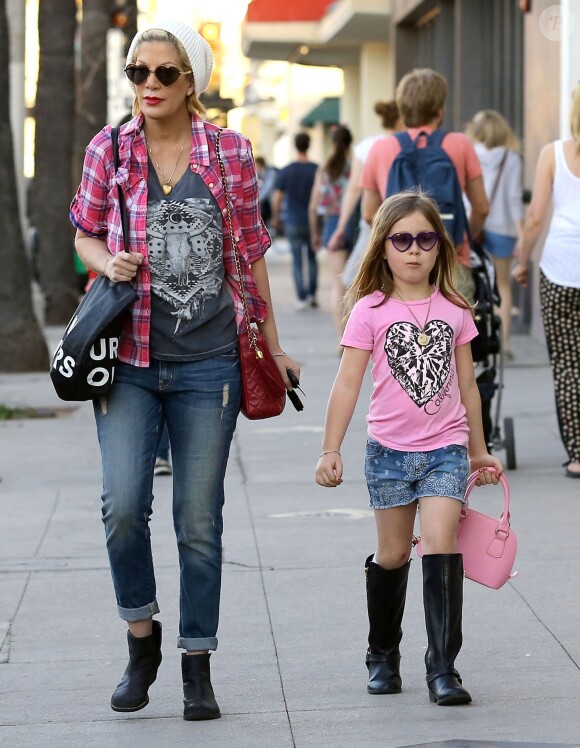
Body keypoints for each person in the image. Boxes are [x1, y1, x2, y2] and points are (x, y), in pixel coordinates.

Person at [70, 19, 300, 720]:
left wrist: (274, 344)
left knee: (199, 518)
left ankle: (197, 662)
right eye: (139, 73)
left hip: (209, 364)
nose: (148, 86)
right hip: (128, 361)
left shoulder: (228, 151)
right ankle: (143, 639)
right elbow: (83, 228)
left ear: (191, 81)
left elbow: (252, 250)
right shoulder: (109, 148)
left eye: (164, 74)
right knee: (120, 509)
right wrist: (103, 259)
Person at [315, 190, 503, 706]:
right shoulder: (370, 312)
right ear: (383, 248)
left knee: (442, 543)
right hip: (389, 453)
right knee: (394, 553)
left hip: (446, 449)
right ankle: (382, 653)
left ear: (439, 248)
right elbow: (348, 384)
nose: (414, 250)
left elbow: (468, 388)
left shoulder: (456, 310)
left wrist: (479, 452)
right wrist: (331, 448)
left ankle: (443, 667)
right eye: (402, 239)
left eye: (425, 239)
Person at [362, 68, 489, 302]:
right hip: (451, 260)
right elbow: (481, 208)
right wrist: (457, 238)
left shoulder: (380, 148)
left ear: (402, 108)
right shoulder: (460, 144)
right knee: (454, 332)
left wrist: (399, 240)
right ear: (440, 111)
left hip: (397, 266)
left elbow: (370, 213)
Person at [512, 82, 580, 479]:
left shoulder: (553, 154)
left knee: (568, 366)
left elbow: (536, 217)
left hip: (559, 270)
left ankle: (577, 454)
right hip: (560, 268)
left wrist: (522, 261)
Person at [465, 110, 524, 358]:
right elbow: (513, 201)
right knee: (502, 286)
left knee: (472, 283)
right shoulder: (511, 158)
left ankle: (470, 341)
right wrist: (522, 236)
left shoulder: (468, 153)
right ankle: (505, 345)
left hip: (474, 226)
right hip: (503, 230)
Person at [328, 101, 403, 288]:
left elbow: (354, 189)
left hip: (373, 223)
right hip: (406, 221)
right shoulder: (412, 143)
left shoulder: (366, 146)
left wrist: (341, 227)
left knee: (358, 283)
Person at [308, 125, 355, 342]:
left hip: (331, 225)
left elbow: (313, 205)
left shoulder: (325, 169)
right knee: (357, 284)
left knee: (338, 286)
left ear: (333, 142)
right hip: (355, 224)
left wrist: (316, 233)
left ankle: (341, 337)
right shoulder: (356, 166)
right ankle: (358, 336)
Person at [272, 133, 318, 310]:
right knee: (312, 258)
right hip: (312, 220)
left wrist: (276, 218)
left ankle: (301, 297)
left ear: (295, 146)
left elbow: (278, 197)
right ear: (309, 145)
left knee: (297, 260)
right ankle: (313, 294)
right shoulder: (316, 169)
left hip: (292, 220)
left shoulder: (287, 170)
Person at [254, 156, 278, 228]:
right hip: (269, 202)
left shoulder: (271, 172)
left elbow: (267, 188)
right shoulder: (261, 173)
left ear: (260, 165)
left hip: (274, 202)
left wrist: (257, 200)